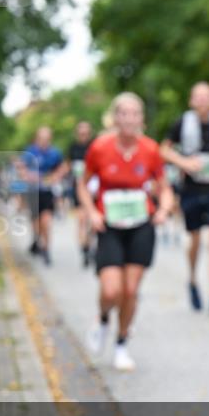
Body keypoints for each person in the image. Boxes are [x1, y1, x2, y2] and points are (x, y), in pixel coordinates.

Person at [78, 92, 173, 372]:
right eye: (124, 113)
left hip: (141, 224)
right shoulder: (99, 148)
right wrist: (92, 212)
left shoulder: (151, 149)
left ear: (141, 119)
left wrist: (164, 209)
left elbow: (164, 186)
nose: (129, 119)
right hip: (108, 224)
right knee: (111, 290)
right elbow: (83, 185)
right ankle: (103, 318)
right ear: (115, 117)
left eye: (135, 114)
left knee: (130, 290)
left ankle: (121, 344)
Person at [160, 82, 209, 315]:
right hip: (192, 188)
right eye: (198, 97)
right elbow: (163, 149)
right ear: (192, 101)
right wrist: (184, 163)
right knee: (194, 239)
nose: (203, 101)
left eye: (207, 97)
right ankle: (193, 279)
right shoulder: (182, 123)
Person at [22, 127, 66, 266]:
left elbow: (63, 167)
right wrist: (29, 176)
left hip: (47, 192)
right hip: (33, 192)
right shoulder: (30, 151)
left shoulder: (55, 153)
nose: (44, 141)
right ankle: (36, 239)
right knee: (36, 222)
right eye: (41, 138)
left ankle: (46, 250)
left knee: (46, 221)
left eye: (47, 139)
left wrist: (55, 176)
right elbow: (21, 168)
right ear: (36, 138)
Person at [68, 121, 95, 267]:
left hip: (94, 189)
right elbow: (68, 165)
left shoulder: (95, 146)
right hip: (78, 188)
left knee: (92, 220)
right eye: (81, 132)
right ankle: (84, 249)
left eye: (86, 132)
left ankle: (89, 244)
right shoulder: (73, 148)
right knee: (82, 219)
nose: (83, 135)